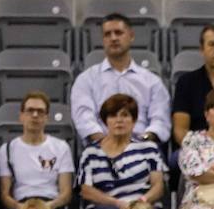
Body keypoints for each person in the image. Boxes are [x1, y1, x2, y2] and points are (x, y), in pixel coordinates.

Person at [71, 13, 171, 147]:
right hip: (101, 148)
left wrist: (141, 141)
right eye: (107, 34)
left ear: (131, 36)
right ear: (103, 40)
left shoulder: (152, 81)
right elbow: (84, 118)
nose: (113, 38)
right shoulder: (86, 79)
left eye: (118, 33)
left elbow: (160, 120)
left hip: (142, 148)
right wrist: (108, 144)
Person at [76, 93, 167, 209]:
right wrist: (117, 203)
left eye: (125, 115)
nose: (119, 120)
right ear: (105, 121)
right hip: (105, 207)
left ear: (134, 120)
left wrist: (141, 201)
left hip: (142, 205)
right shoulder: (91, 153)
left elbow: (158, 186)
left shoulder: (149, 148)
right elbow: (86, 191)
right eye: (113, 116)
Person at [0, 91, 75, 209]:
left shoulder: (61, 147)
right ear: (21, 116)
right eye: (30, 110)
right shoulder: (7, 149)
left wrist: (49, 206)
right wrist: (20, 207)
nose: (35, 115)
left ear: (46, 118)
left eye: (40, 111)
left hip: (51, 206)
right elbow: (4, 195)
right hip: (20, 206)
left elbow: (66, 193)